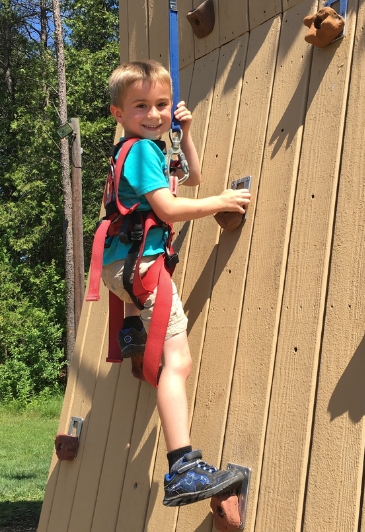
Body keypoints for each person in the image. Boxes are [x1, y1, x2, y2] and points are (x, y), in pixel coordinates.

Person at [101, 60, 251, 507]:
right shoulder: (144, 152)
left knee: (162, 350)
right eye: (141, 106)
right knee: (177, 362)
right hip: (143, 269)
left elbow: (192, 175)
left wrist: (184, 133)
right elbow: (169, 209)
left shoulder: (136, 151)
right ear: (119, 114)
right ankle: (183, 466)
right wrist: (220, 202)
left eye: (162, 105)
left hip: (121, 269)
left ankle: (131, 331)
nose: (154, 114)